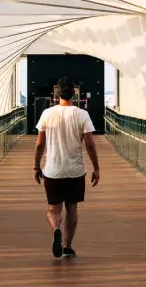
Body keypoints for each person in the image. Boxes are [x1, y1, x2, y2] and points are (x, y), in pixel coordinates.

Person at [33, 77, 100, 258]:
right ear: (74, 94)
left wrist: (35, 167)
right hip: (75, 170)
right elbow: (90, 144)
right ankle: (68, 247)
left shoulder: (47, 114)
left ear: (57, 94)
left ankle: (56, 229)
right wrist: (96, 168)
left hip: (53, 170)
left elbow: (39, 144)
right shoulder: (82, 114)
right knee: (72, 209)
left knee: (53, 210)